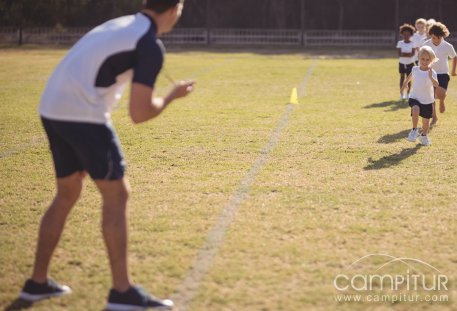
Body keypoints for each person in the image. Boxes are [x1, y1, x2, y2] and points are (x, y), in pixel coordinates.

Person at [19, 0, 194, 310]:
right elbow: (139, 113)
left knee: (67, 193)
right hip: (82, 113)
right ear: (172, 10)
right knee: (117, 196)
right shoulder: (149, 43)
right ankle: (122, 293)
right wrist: (171, 97)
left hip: (51, 106)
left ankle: (37, 283)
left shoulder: (123, 23)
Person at [402, 46, 439, 146]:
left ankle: (423, 135)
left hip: (427, 100)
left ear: (431, 60)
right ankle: (414, 130)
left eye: (428, 60)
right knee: (415, 109)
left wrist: (431, 77)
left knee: (426, 123)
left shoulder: (432, 72)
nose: (425, 61)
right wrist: (405, 84)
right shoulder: (415, 69)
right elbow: (410, 76)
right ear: (419, 58)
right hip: (415, 97)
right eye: (423, 59)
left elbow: (436, 85)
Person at [423, 22, 457, 125]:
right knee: (430, 96)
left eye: (438, 38)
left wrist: (453, 71)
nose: (436, 40)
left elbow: (454, 57)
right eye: (433, 38)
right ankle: (434, 117)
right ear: (431, 35)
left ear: (442, 36)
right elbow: (421, 58)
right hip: (429, 73)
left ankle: (442, 101)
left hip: (443, 73)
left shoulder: (447, 46)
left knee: (441, 93)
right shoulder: (426, 45)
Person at [397, 23, 417, 100]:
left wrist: (404, 54)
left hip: (410, 63)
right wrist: (407, 54)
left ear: (411, 34)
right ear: (402, 34)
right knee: (402, 78)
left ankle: (408, 94)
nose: (406, 36)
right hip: (402, 63)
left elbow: (412, 54)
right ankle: (402, 94)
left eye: (408, 34)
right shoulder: (400, 43)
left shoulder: (413, 43)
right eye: (404, 34)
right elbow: (399, 54)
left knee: (409, 79)